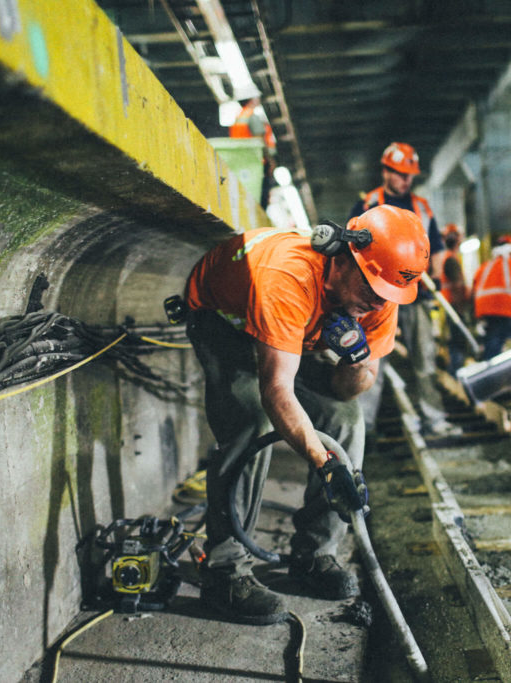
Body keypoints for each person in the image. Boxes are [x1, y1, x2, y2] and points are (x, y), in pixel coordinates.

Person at [183, 205, 430, 624]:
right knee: (251, 421)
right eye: (372, 291)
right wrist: (325, 464)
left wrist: (356, 362)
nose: (377, 305)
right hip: (227, 323)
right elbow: (276, 391)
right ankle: (224, 572)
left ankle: (315, 554)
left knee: (345, 421)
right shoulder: (290, 275)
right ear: (343, 256)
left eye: (387, 297)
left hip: (295, 333)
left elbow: (346, 390)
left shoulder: (381, 291)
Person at [349, 142, 457, 436]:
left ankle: (434, 420)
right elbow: (352, 250)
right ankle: (364, 427)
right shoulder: (369, 204)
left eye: (410, 175)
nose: (407, 180)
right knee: (372, 362)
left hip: (417, 295)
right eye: (400, 174)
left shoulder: (422, 208)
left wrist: (434, 275)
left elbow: (434, 251)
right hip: (377, 298)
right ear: (385, 171)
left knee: (425, 360)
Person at [440, 224, 472, 374]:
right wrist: (462, 307)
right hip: (454, 307)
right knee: (458, 342)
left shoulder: (449, 258)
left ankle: (455, 372)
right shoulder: (451, 260)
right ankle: (456, 374)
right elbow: (457, 286)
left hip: (450, 306)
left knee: (456, 341)